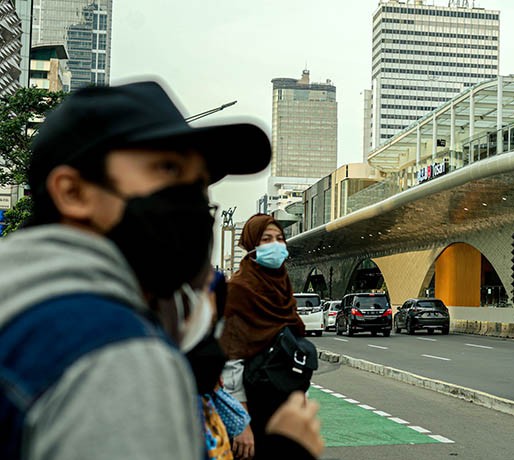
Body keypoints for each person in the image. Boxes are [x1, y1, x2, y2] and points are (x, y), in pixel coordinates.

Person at [0, 81, 320, 459]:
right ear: (72, 192)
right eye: (167, 168)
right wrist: (286, 451)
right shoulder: (117, 354)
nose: (194, 202)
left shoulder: (20, 306)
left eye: (200, 184)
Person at [219, 214, 309, 460]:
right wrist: (241, 423)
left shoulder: (283, 287)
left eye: (280, 238)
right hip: (253, 408)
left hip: (284, 407)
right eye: (266, 239)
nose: (276, 245)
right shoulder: (238, 290)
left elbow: (291, 347)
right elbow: (231, 360)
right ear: (252, 245)